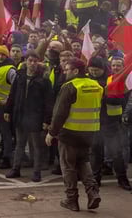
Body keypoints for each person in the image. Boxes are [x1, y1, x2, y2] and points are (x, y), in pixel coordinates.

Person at [46, 58, 102, 212]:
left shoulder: (70, 87)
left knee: (68, 166)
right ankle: (93, 192)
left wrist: (52, 132)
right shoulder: (96, 85)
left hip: (69, 133)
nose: (65, 72)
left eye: (67, 69)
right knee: (84, 162)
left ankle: (72, 199)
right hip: (89, 132)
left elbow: (59, 113)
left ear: (76, 71)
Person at [4, 50, 53, 181]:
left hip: (36, 117)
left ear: (38, 63)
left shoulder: (44, 80)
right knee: (20, 144)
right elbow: (12, 94)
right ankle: (16, 169)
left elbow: (49, 102)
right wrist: (8, 110)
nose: (32, 63)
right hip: (20, 115)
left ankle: (37, 172)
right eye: (30, 61)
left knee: (37, 146)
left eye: (35, 61)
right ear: (26, 61)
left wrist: (46, 120)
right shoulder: (19, 76)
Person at [88, 56, 131, 190]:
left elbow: (121, 100)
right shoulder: (87, 80)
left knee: (116, 152)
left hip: (112, 123)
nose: (94, 73)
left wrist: (105, 95)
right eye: (92, 70)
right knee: (96, 152)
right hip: (94, 122)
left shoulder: (112, 80)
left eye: (97, 70)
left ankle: (122, 179)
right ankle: (96, 179)